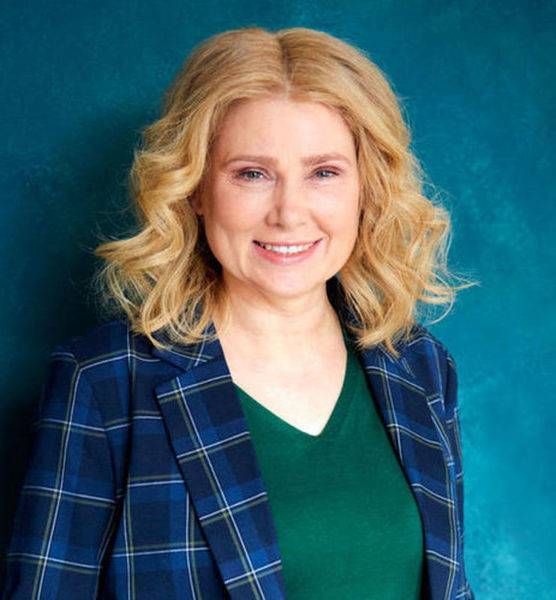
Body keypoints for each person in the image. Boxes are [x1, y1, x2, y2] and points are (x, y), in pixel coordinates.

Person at [3, 26, 476, 600]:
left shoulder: (419, 366)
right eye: (252, 173)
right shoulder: (105, 383)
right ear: (195, 189)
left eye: (323, 172)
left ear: (366, 189)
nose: (289, 213)